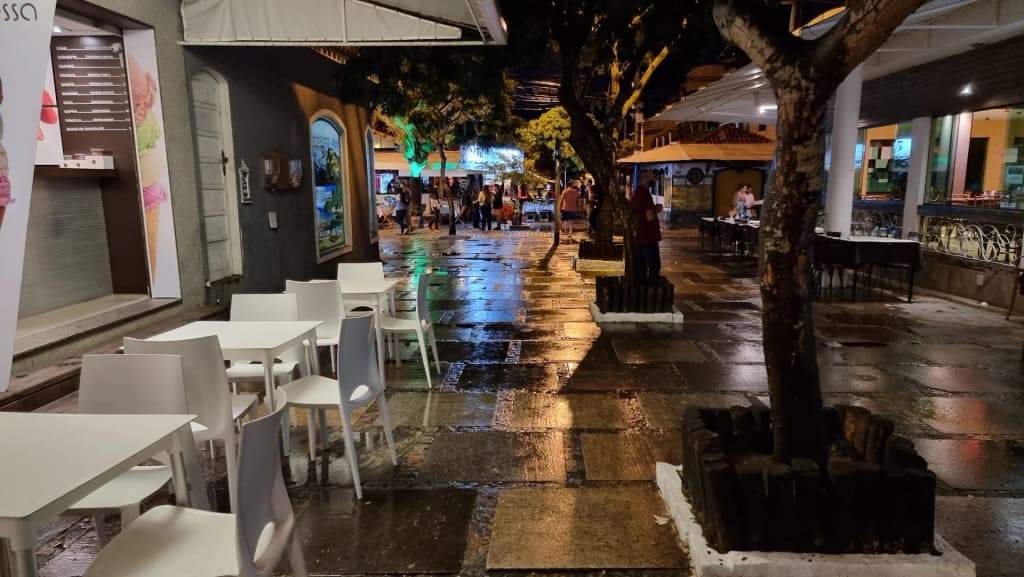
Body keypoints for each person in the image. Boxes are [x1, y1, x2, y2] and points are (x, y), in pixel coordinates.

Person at [631, 176, 662, 284]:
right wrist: (657, 209)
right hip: (649, 235)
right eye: (651, 178)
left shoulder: (636, 193)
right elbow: (649, 216)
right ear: (645, 179)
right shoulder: (644, 194)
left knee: (641, 265)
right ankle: (651, 287)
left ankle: (642, 287)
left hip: (640, 234)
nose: (653, 180)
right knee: (654, 265)